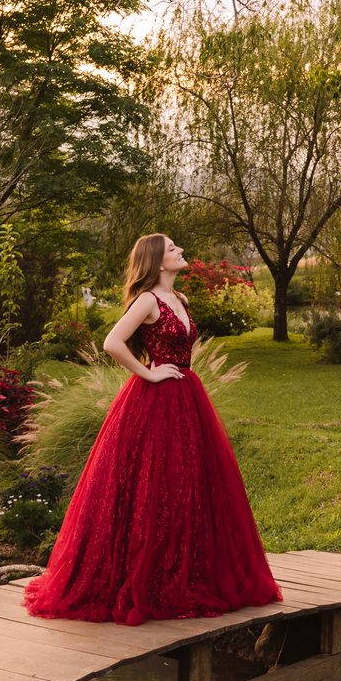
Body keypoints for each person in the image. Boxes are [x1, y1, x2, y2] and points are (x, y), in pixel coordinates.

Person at [23, 233, 281, 624]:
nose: (181, 251)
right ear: (158, 261)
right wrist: (149, 372)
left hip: (188, 396)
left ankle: (190, 572)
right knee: (150, 486)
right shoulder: (148, 300)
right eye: (173, 248)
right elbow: (112, 342)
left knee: (189, 484)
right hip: (155, 400)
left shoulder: (181, 299)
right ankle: (145, 577)